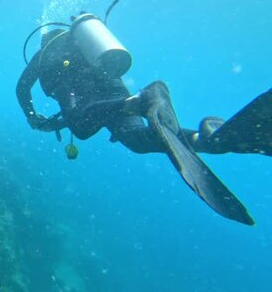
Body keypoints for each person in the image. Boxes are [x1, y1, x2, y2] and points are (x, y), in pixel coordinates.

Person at [16, 13, 272, 226]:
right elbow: (91, 110)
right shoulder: (82, 46)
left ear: (43, 40)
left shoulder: (46, 53)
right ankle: (213, 138)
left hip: (93, 96)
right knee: (137, 140)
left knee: (81, 128)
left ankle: (141, 102)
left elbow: (23, 88)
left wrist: (30, 116)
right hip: (113, 89)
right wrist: (55, 122)